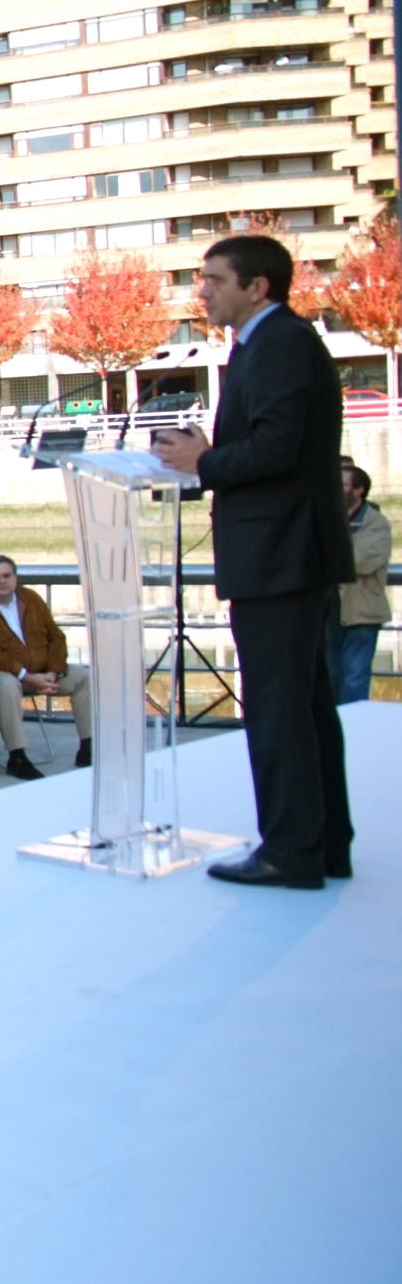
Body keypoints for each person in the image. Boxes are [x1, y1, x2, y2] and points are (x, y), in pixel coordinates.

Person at [151, 234, 354, 888]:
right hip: (285, 553)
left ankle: (290, 851)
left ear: (257, 285)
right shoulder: (263, 344)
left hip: (280, 554)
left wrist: (204, 461)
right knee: (302, 705)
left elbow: (278, 448)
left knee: (277, 709)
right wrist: (207, 453)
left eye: (214, 279)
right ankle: (324, 844)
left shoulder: (281, 343)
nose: (202, 290)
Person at [0, 556, 92, 780]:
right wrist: (27, 676)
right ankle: (17, 756)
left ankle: (88, 747)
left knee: (83, 677)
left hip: (42, 672)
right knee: (8, 686)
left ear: (15, 577)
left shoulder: (30, 598)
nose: (2, 581)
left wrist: (53, 672)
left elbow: (56, 636)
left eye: (7, 575)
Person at [331, 464, 390, 705]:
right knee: (330, 679)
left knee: (355, 679)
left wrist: (326, 555)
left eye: (342, 484)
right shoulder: (329, 518)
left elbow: (361, 562)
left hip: (362, 615)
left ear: (359, 490)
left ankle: (353, 726)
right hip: (329, 614)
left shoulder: (377, 523)